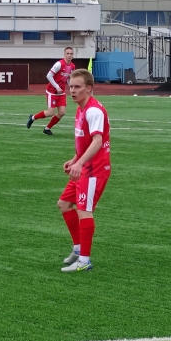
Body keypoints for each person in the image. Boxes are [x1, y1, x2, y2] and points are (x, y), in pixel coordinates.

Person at [57, 69, 110, 273]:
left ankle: (85, 260)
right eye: (70, 86)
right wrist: (75, 160)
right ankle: (78, 249)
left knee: (84, 211)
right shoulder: (81, 108)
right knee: (64, 204)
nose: (72, 90)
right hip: (84, 167)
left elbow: (97, 141)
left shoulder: (93, 111)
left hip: (94, 169)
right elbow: (85, 140)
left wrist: (80, 163)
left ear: (89, 88)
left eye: (77, 87)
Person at [27, 46, 75, 135]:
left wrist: (71, 87)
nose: (69, 55)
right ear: (64, 54)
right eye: (67, 53)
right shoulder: (59, 64)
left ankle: (47, 128)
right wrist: (57, 87)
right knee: (50, 113)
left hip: (61, 93)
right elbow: (49, 75)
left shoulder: (72, 66)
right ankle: (33, 117)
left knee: (62, 112)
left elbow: (68, 78)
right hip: (52, 92)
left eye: (71, 54)